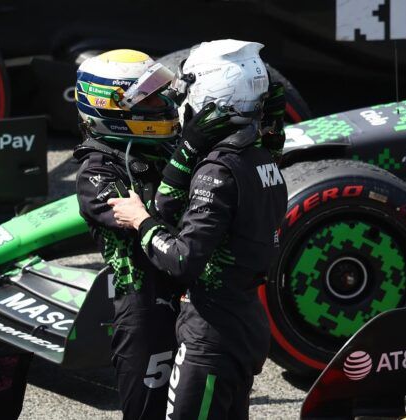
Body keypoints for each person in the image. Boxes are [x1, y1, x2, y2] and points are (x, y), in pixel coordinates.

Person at [109, 39, 288, 419]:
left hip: (210, 332)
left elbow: (181, 259)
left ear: (206, 91)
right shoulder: (263, 155)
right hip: (246, 320)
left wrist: (140, 219)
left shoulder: (217, 170)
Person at [73, 49, 187, 419]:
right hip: (144, 310)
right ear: (112, 107)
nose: (163, 103)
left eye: (160, 94)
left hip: (191, 300)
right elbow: (162, 217)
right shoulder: (97, 173)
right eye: (149, 97)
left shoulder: (162, 146)